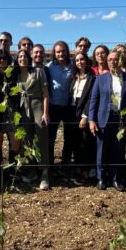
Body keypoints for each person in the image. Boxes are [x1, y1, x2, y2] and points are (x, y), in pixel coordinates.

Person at [89, 50, 126, 191]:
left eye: (115, 59)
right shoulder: (100, 79)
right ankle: (101, 178)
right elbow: (94, 101)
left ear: (121, 61)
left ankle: (115, 178)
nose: (112, 62)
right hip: (104, 118)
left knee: (118, 149)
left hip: (122, 120)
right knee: (102, 150)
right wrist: (91, 120)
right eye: (110, 59)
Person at [12, 49, 50, 190]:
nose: (23, 58)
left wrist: (46, 113)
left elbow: (46, 94)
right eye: (20, 56)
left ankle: (44, 173)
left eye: (25, 56)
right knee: (26, 139)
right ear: (17, 59)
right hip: (23, 109)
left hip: (37, 105)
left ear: (29, 59)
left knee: (41, 138)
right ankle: (31, 171)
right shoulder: (15, 75)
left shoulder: (38, 72)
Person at [68, 52, 96, 185]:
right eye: (77, 60)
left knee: (86, 143)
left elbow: (91, 98)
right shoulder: (74, 77)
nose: (80, 62)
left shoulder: (92, 77)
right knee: (76, 142)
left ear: (87, 60)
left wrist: (85, 116)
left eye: (82, 59)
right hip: (73, 111)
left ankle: (86, 172)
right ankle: (79, 168)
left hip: (84, 112)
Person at [47, 41, 74, 170]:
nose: (61, 54)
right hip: (53, 106)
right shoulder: (49, 66)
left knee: (69, 137)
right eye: (58, 51)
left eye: (63, 51)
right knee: (51, 137)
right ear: (54, 53)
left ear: (67, 52)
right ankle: (50, 164)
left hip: (68, 106)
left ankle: (65, 163)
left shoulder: (73, 66)